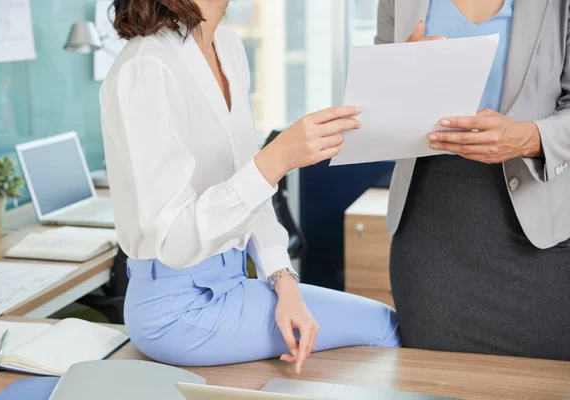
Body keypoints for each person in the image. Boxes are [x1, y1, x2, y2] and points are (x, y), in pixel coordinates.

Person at [99, 0, 400, 373]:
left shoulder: (226, 47)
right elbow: (175, 240)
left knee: (371, 328)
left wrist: (284, 283)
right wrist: (276, 160)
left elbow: (249, 194)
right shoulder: (146, 67)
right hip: (176, 308)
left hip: (232, 282)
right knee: (384, 328)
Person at [377, 0, 570, 361]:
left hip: (542, 235)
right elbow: (372, 109)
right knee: (435, 381)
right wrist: (399, 78)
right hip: (431, 231)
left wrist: (528, 138)